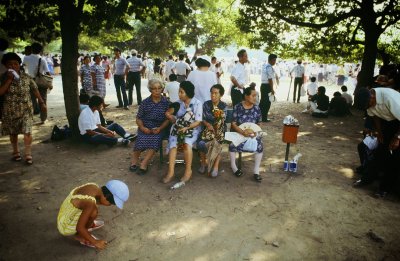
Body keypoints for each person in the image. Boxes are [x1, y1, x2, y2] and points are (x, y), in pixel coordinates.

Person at [0, 52, 47, 165]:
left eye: (15, 64)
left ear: (19, 64)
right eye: (9, 64)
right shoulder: (3, 77)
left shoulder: (26, 77)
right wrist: (9, 80)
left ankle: (27, 154)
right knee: (13, 132)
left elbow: (35, 89)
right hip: (10, 110)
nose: (13, 66)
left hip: (26, 108)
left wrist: (42, 103)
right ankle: (15, 151)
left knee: (27, 131)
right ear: (6, 66)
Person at [57, 180, 129, 250]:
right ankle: (80, 236)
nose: (110, 205)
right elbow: (80, 228)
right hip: (65, 226)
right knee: (93, 212)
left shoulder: (93, 186)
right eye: (112, 203)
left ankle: (88, 224)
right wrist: (95, 242)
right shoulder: (90, 203)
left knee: (93, 209)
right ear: (106, 196)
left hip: (64, 215)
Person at [163, 81, 202, 186]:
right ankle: (171, 172)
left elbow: (198, 121)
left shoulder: (197, 103)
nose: (179, 94)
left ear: (188, 93)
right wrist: (170, 116)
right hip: (178, 128)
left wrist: (186, 127)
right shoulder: (178, 103)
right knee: (173, 144)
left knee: (186, 143)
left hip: (193, 129)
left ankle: (188, 170)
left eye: (181, 92)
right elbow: (174, 117)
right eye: (179, 92)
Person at [363, 88, 400, 197]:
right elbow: (375, 116)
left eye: (369, 104)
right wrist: (380, 132)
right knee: (380, 152)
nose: (369, 108)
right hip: (388, 122)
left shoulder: (389, 99)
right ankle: (367, 179)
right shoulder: (369, 101)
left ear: (372, 97)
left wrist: (397, 138)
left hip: (398, 122)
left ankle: (384, 188)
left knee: (395, 158)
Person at [129, 79, 170, 175]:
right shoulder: (145, 102)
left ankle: (144, 163)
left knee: (155, 139)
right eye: (154, 89)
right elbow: (138, 118)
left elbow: (167, 119)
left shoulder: (166, 102)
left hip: (160, 127)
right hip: (145, 127)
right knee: (140, 139)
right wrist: (143, 128)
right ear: (150, 90)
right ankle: (134, 161)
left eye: (159, 88)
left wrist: (160, 128)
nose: (157, 91)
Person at [229, 86, 263, 182]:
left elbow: (259, 122)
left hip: (252, 134)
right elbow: (234, 123)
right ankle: (234, 166)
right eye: (253, 95)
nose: (255, 98)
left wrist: (254, 131)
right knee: (232, 145)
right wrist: (242, 132)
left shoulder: (257, 108)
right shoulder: (238, 107)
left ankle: (256, 171)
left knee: (260, 145)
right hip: (239, 133)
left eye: (256, 95)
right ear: (246, 96)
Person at [197, 84, 227, 177]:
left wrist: (215, 127)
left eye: (216, 93)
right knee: (201, 143)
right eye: (212, 93)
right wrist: (207, 124)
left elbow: (221, 120)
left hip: (219, 129)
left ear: (220, 95)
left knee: (217, 143)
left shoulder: (223, 106)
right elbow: (203, 118)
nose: (213, 95)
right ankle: (203, 163)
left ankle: (216, 167)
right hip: (207, 129)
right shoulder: (206, 104)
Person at [22, 42, 50, 123]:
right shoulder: (43, 59)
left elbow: (23, 70)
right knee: (43, 100)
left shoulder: (26, 58)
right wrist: (49, 83)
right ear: (40, 50)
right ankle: (43, 118)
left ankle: (31, 118)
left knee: (31, 100)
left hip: (30, 81)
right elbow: (47, 72)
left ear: (31, 49)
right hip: (41, 81)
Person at [260, 54, 277, 122]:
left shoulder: (265, 65)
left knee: (262, 102)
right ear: (271, 60)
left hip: (263, 85)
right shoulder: (269, 67)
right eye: (274, 60)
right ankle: (264, 118)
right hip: (267, 86)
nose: (275, 62)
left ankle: (260, 116)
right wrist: (272, 89)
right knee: (267, 103)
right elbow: (270, 79)